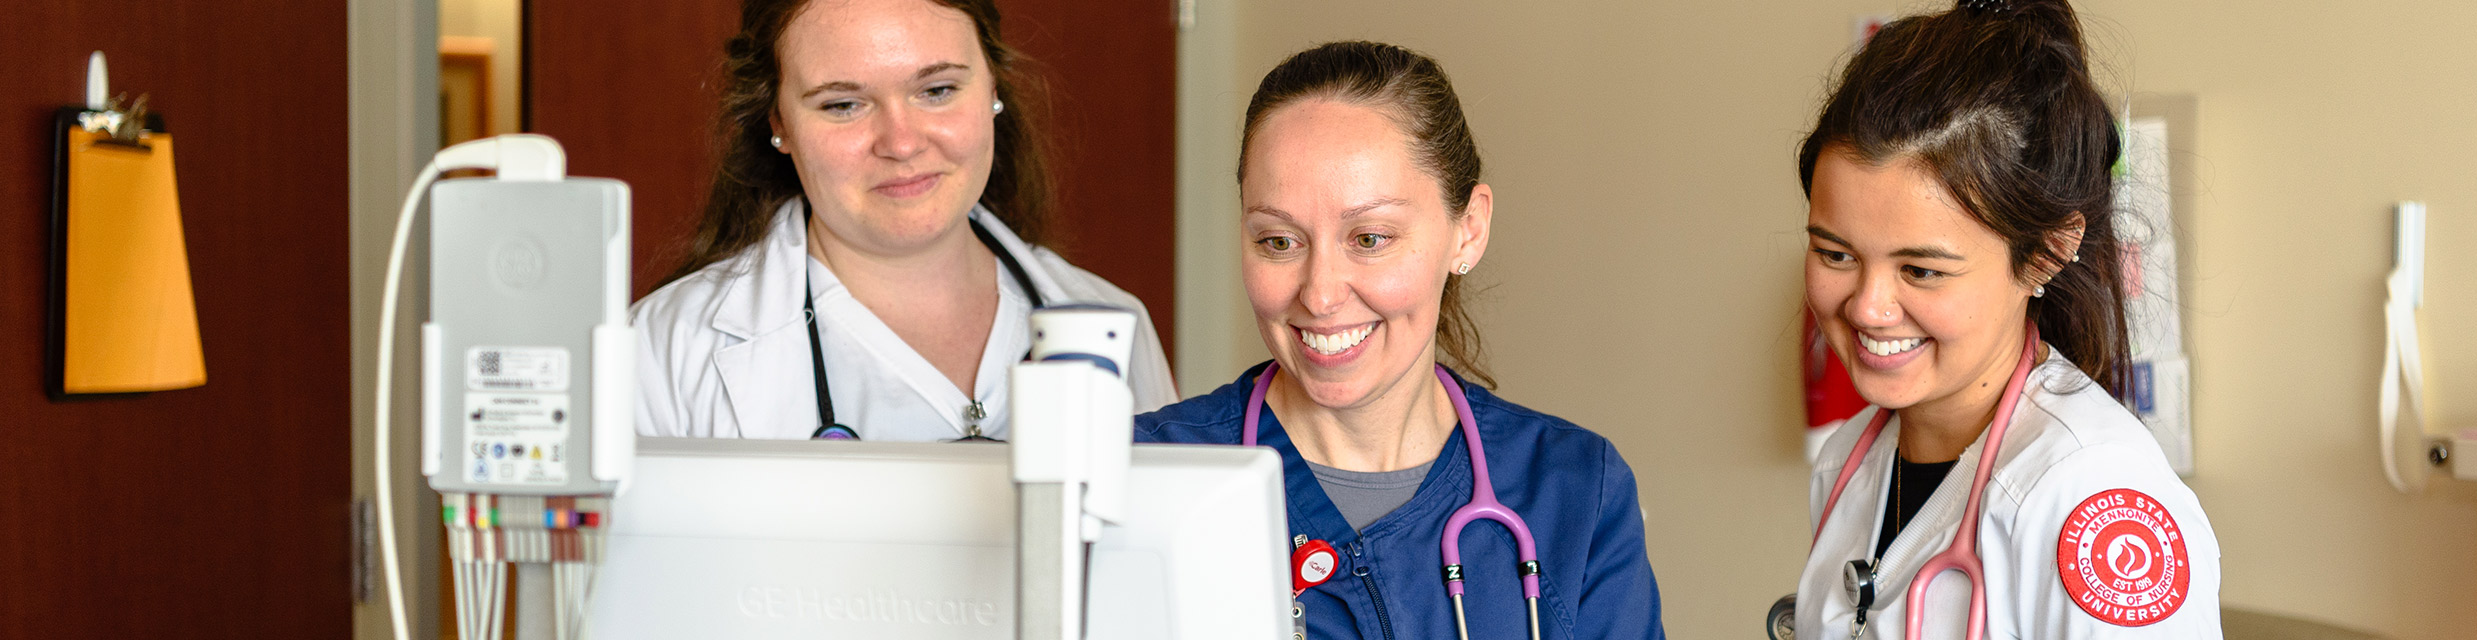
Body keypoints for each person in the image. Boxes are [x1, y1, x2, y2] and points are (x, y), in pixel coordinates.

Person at [1136, 41, 1665, 640]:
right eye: (1279, 241)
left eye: (1370, 237)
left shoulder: (1573, 490)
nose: (1320, 294)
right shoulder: (1142, 476)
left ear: (1468, 230)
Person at [1788, 0, 2221, 637]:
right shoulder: (1850, 462)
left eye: (1921, 270)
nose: (1867, 307)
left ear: (2046, 252)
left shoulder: (2095, 498)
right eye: (1835, 253)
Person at [630, 0, 1175, 440]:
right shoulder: (664, 350)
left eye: (937, 91)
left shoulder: (1111, 324)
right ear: (780, 123)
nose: (902, 142)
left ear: (993, 90)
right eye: (843, 104)